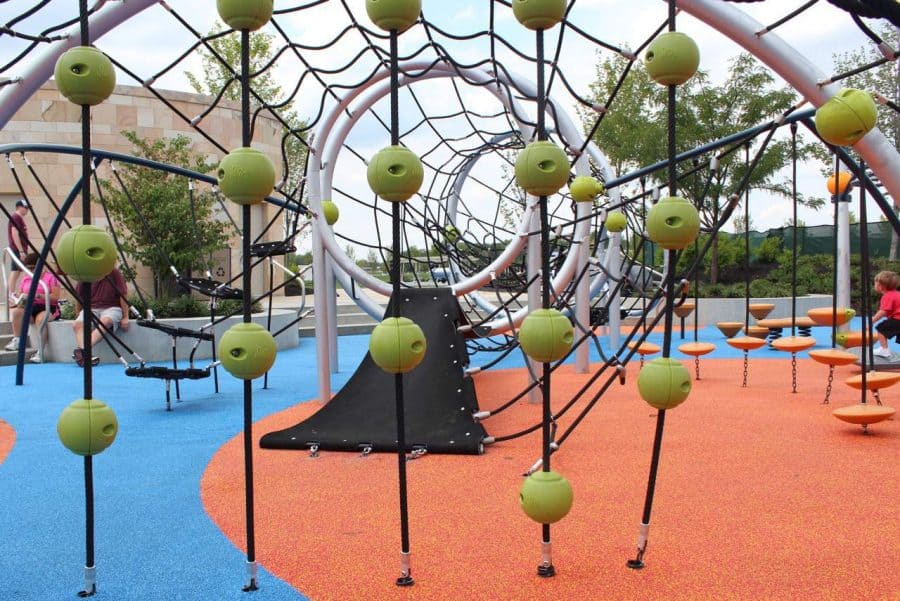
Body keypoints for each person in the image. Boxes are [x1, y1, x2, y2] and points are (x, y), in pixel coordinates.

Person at [5, 252, 61, 362]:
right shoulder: (26, 278)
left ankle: (40, 352)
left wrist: (39, 295)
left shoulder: (50, 277)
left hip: (47, 307)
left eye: (33, 268)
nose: (30, 271)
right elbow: (21, 292)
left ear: (40, 266)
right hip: (31, 307)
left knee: (41, 320)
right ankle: (17, 340)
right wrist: (17, 297)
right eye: (28, 268)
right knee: (16, 312)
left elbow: (55, 297)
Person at [71, 265, 130, 367]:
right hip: (91, 308)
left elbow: (123, 294)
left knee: (105, 321)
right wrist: (78, 315)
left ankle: (82, 351)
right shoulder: (85, 273)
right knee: (77, 325)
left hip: (112, 307)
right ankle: (84, 354)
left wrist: (125, 317)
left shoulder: (113, 272)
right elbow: (79, 296)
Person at [872, 270, 900, 359]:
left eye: (875, 283)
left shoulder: (887, 296)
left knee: (881, 329)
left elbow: (883, 311)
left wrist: (872, 320)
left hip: (898, 319)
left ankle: (884, 350)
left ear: (881, 286)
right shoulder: (897, 294)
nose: (874, 285)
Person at [7, 199, 30, 301]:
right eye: (26, 208)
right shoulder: (16, 217)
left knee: (17, 271)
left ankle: (12, 293)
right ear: (19, 207)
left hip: (19, 249)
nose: (27, 210)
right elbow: (14, 233)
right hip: (17, 249)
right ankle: (11, 294)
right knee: (15, 271)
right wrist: (21, 251)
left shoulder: (18, 218)